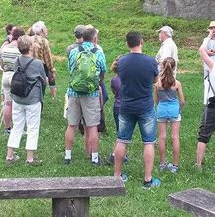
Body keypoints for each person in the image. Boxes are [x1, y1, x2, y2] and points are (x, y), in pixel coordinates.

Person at [113, 31, 161, 189]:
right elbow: (155, 80)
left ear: (127, 44)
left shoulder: (122, 62)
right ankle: (147, 179)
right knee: (148, 142)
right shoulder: (151, 61)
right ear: (142, 42)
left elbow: (120, 77)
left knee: (121, 140)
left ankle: (117, 176)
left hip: (126, 105)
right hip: (145, 106)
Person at [64, 27, 107, 165]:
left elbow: (70, 70)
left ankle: (68, 156)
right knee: (93, 126)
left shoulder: (73, 51)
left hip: (73, 92)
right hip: (91, 93)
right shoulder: (98, 52)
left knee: (71, 125)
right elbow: (103, 73)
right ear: (94, 38)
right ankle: (94, 158)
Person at [6, 35, 49, 165]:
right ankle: (30, 158)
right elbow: (43, 79)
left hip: (18, 98)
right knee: (32, 128)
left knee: (16, 126)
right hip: (33, 98)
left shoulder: (17, 60)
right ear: (30, 47)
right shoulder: (38, 64)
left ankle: (10, 156)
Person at [155, 57, 185, 173]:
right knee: (175, 137)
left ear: (162, 66)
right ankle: (175, 165)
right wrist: (179, 108)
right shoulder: (177, 83)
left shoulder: (157, 83)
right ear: (174, 68)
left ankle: (162, 163)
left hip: (162, 109)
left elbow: (156, 99)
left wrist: (161, 104)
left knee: (162, 137)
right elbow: (182, 101)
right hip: (174, 110)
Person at [0, 27, 25, 135]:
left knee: (7, 103)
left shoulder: (5, 48)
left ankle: (7, 128)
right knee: (18, 102)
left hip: (6, 76)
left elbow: (2, 65)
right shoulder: (21, 50)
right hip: (17, 77)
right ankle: (18, 128)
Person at [30, 21, 57, 90]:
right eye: (45, 28)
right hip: (40, 68)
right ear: (42, 30)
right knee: (40, 88)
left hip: (29, 66)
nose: (47, 29)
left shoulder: (29, 39)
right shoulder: (44, 41)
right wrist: (52, 70)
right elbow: (48, 58)